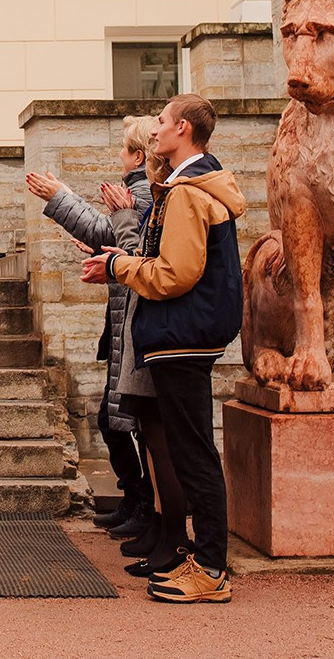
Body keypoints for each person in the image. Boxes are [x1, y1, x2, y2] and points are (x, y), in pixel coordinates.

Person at [86, 93, 245, 605]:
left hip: (183, 338)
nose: (154, 129)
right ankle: (204, 562)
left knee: (193, 453)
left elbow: (175, 274)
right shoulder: (186, 185)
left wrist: (117, 267)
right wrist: (121, 259)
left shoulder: (191, 191)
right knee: (187, 450)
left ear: (182, 130)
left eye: (161, 120)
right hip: (183, 338)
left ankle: (212, 568)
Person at [25, 115, 155, 539]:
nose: (118, 154)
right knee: (114, 421)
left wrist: (61, 196)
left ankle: (143, 509)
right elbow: (121, 238)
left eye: (122, 148)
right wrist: (104, 247)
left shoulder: (141, 189)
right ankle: (136, 502)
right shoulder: (138, 188)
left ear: (137, 156)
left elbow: (123, 235)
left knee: (123, 422)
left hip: (137, 324)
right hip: (124, 321)